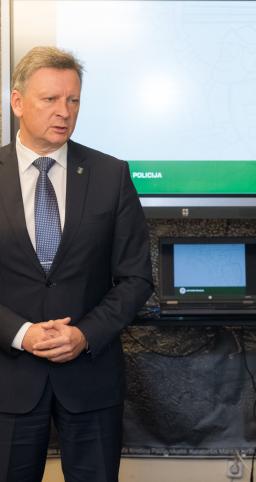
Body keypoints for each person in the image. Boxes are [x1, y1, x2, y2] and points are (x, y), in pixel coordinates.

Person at [0, 46, 153, 481]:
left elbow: (136, 278)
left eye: (73, 100)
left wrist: (84, 335)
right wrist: (22, 334)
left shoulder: (111, 175)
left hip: (91, 379)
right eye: (50, 99)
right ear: (17, 103)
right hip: (8, 381)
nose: (64, 112)